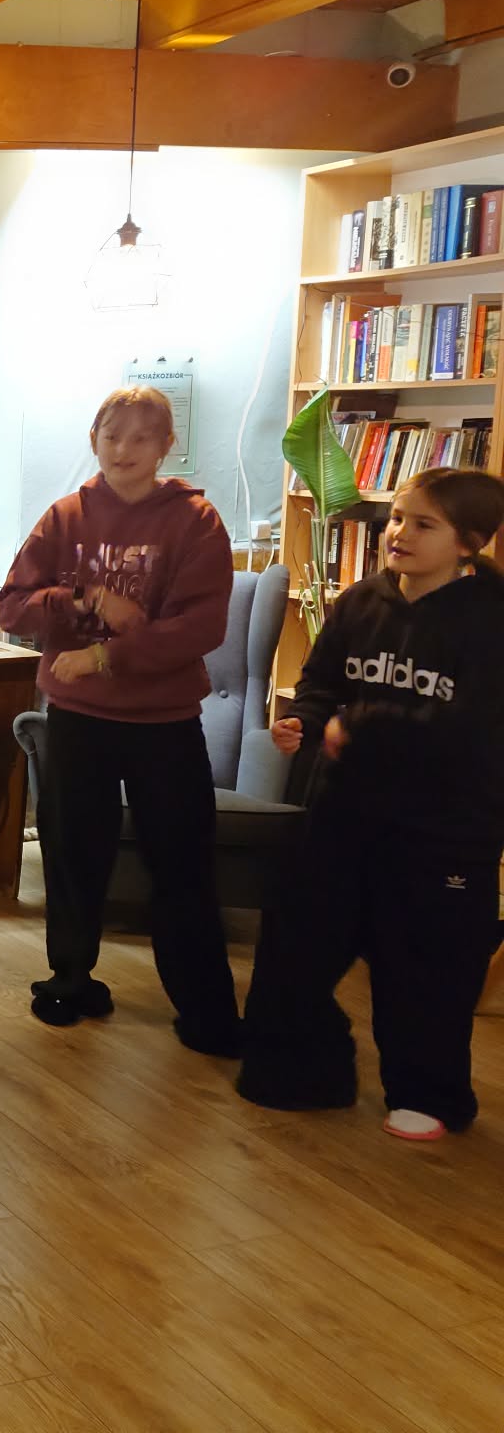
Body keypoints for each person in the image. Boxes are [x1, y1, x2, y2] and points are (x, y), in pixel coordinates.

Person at [239, 468, 504, 1139]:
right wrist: (304, 720)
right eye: (397, 518)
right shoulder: (361, 601)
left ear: (469, 541)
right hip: (342, 813)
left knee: (424, 967)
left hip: (442, 830)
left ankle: (428, 1094)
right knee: (298, 946)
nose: (399, 533)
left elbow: (474, 727)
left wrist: (363, 724)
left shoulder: (491, 619)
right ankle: (305, 1072)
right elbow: (322, 682)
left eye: (423, 524)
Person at [0, 387, 241, 1052]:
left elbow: (202, 628)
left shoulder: (196, 522)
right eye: (112, 435)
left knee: (183, 862)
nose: (124, 449)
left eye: (141, 437)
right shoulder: (65, 516)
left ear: (166, 446)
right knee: (73, 856)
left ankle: (206, 1009)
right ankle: (70, 982)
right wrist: (83, 596)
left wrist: (105, 655)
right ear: (93, 439)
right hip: (78, 720)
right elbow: (13, 607)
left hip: (165, 722)